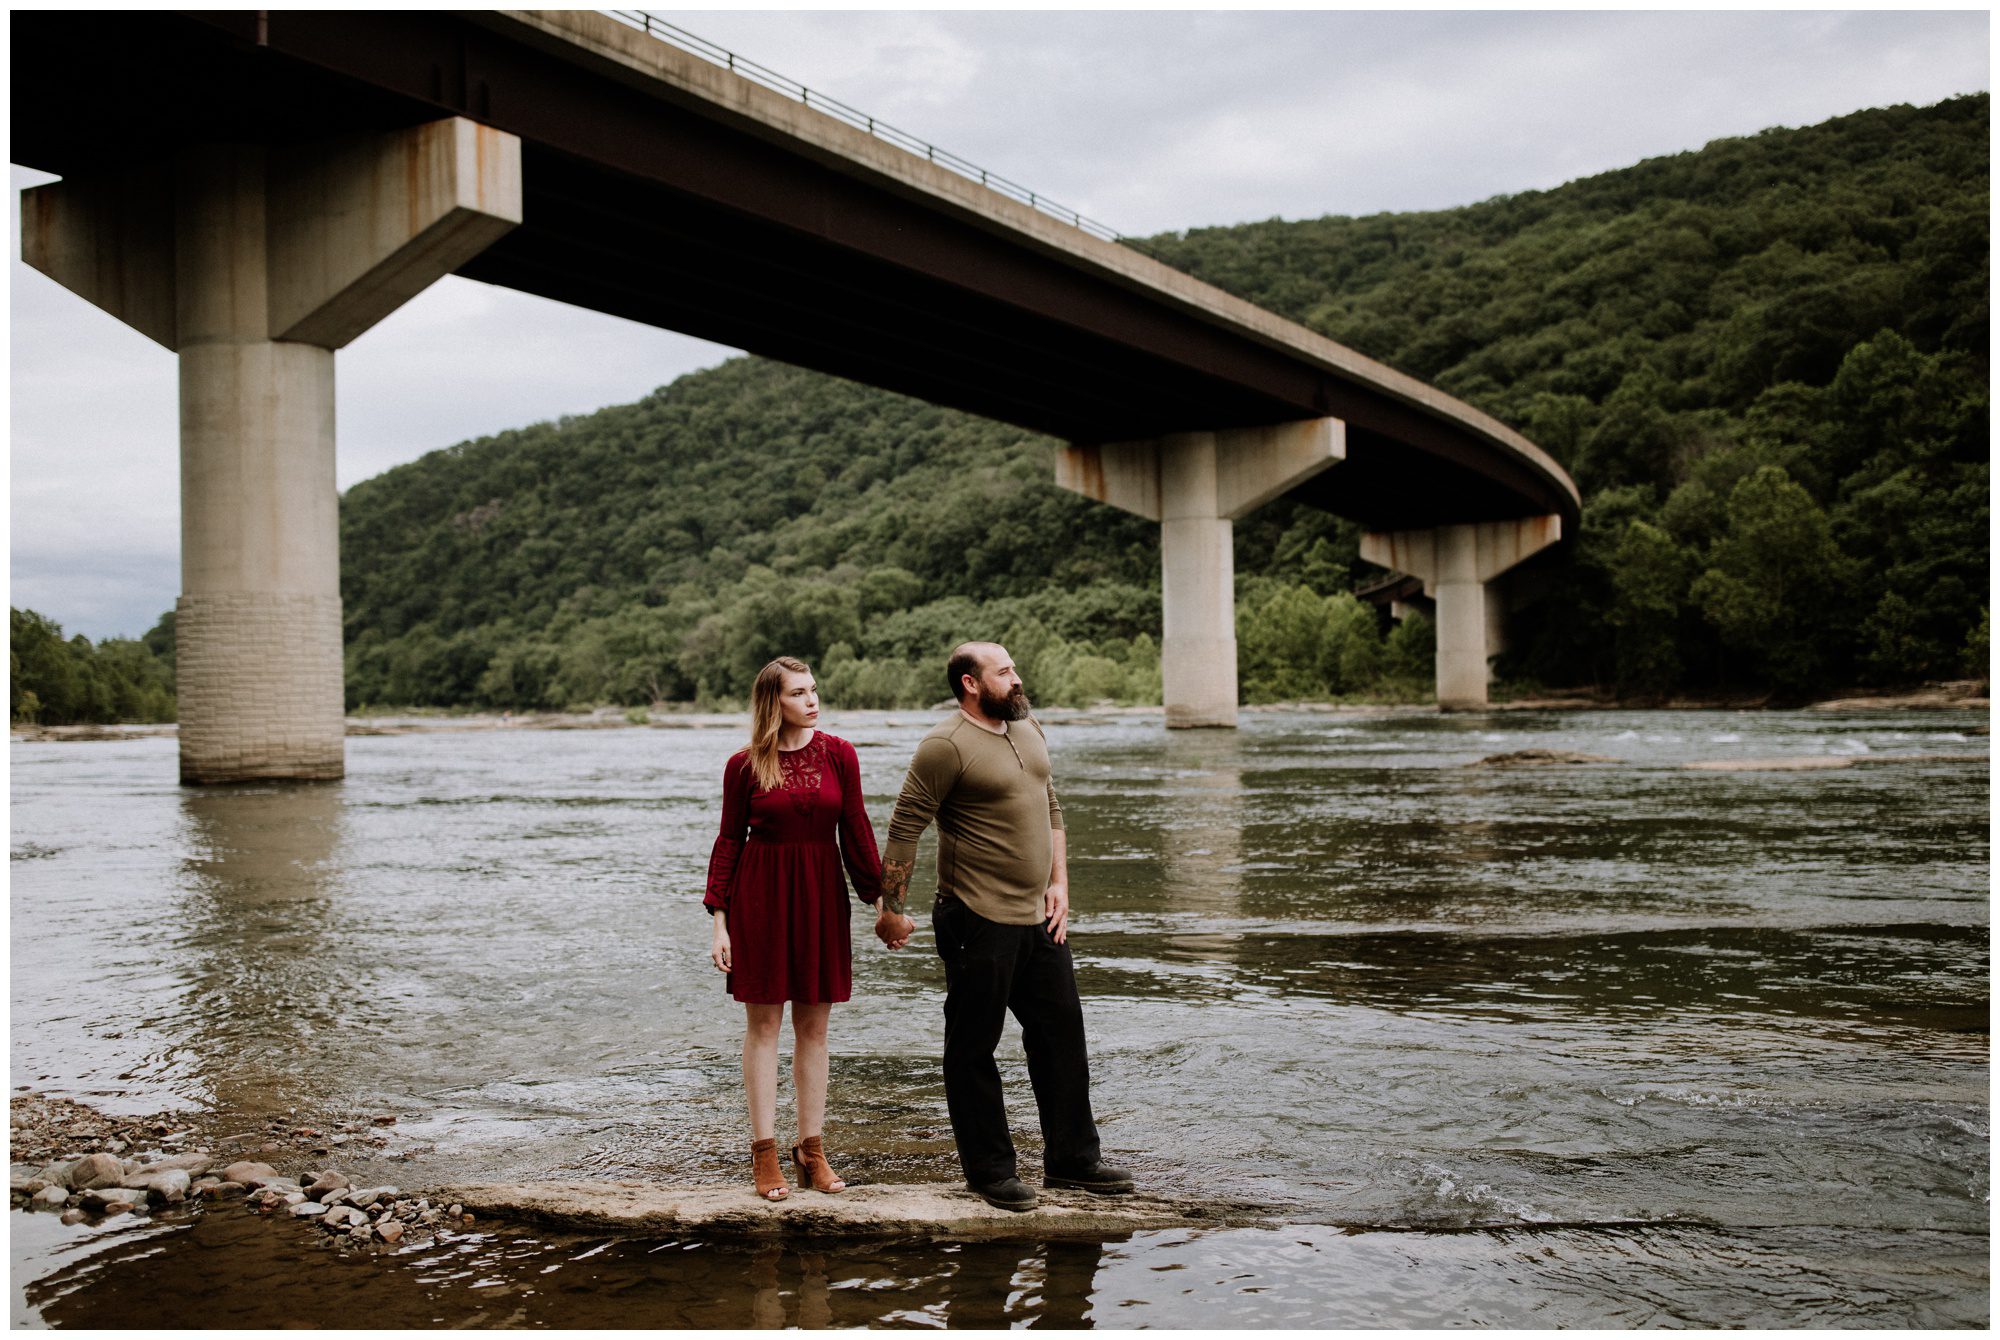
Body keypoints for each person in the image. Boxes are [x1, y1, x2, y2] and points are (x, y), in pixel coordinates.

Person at [872, 641, 1133, 1211]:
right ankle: (989, 1171)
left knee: (1062, 1036)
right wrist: (888, 908)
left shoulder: (1027, 726)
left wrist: (1059, 883)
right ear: (971, 683)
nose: (1017, 678)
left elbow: (1051, 805)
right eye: (1005, 671)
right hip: (975, 915)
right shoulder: (945, 746)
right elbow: (904, 829)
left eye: (1015, 667)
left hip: (1038, 917)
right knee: (973, 1048)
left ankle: (1072, 1161)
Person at [705, 656, 883, 1201]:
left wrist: (882, 901)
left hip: (821, 895)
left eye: (813, 689)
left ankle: (811, 1148)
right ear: (773, 702)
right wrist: (720, 920)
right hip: (760, 898)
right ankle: (763, 1152)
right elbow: (730, 840)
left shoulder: (840, 754)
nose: (813, 700)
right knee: (763, 1028)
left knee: (815, 1027)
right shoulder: (743, 765)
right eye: (799, 692)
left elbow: (854, 827)